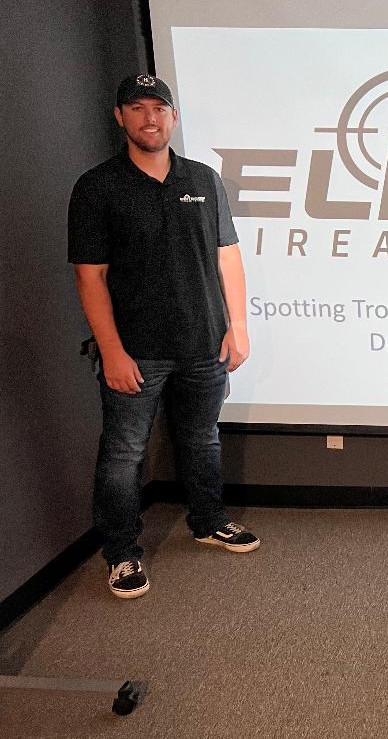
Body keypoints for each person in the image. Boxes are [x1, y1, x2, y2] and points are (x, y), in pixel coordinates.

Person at [68, 74, 260, 599]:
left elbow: (228, 256)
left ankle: (208, 520)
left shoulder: (202, 178)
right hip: (137, 352)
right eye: (137, 108)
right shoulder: (97, 187)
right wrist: (110, 350)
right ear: (120, 118)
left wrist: (237, 326)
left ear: (172, 117)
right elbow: (90, 276)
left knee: (202, 439)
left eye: (159, 107)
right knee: (124, 454)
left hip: (205, 344)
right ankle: (123, 553)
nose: (150, 118)